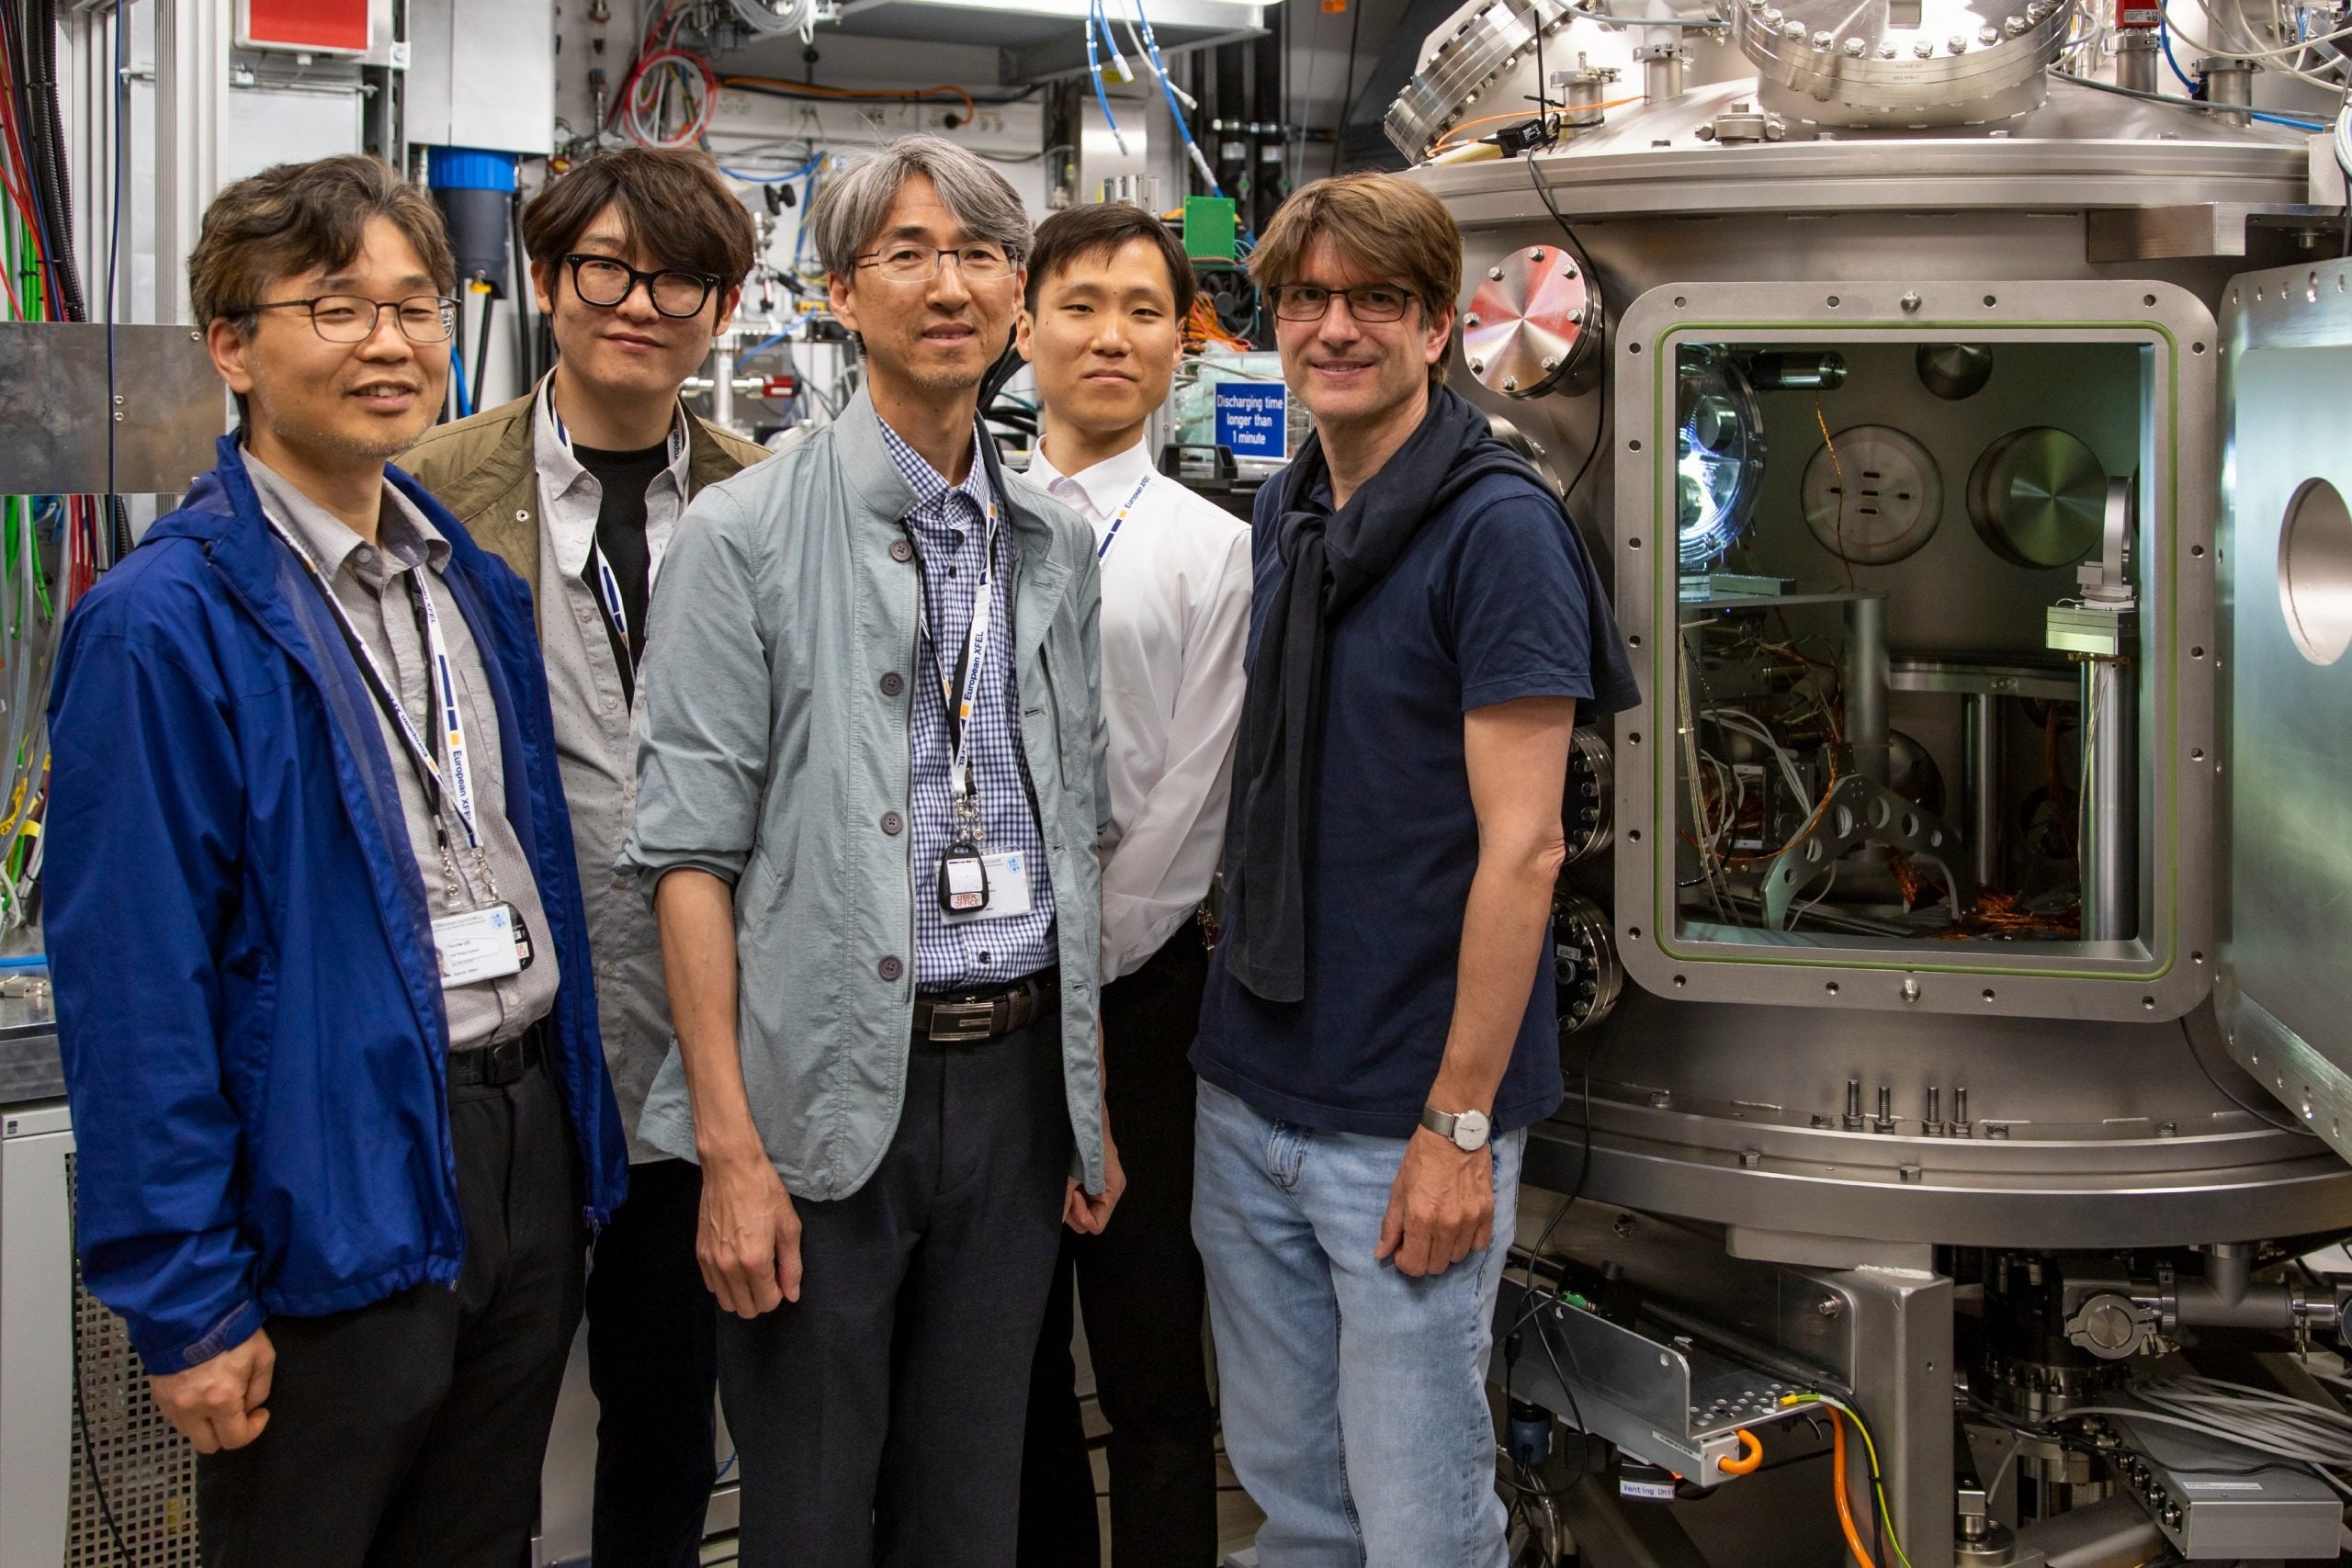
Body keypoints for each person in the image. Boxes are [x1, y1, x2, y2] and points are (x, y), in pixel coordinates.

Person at [44, 154, 627, 1567]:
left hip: (518, 1147)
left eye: (417, 306)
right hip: (331, 1170)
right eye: (336, 307)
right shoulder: (163, 623)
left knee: (481, 1540)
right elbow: (136, 992)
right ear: (233, 347)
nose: (390, 342)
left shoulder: (466, 581)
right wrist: (186, 1300)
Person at [621, 134, 1121, 1568]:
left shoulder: (1052, 542)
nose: (946, 286)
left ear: (1016, 293)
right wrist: (729, 1151)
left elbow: (1076, 830)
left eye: (976, 255)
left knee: (969, 1511)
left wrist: (1085, 1102)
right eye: (906, 254)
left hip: (1013, 1089)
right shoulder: (742, 536)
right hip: (824, 1089)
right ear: (841, 293)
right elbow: (688, 860)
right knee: (812, 1513)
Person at [1187, 173, 1636, 1566]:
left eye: (1375, 299)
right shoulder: (1291, 509)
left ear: (1439, 326)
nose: (1335, 327)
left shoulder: (1498, 529)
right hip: (1253, 1084)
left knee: (1421, 1524)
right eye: (1305, 298)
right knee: (1295, 1506)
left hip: (1401, 1119)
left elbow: (1528, 848)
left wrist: (1457, 1129)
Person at [400, 145, 766, 1568]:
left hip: (696, 1049)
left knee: (666, 1414)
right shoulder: (432, 492)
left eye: (681, 280)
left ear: (722, 307)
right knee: (469, 1427)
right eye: (607, 268)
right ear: (548, 281)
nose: (641, 304)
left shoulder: (760, 499)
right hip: (514, 1052)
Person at [1012, 200, 1249, 1568]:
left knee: (1155, 1363)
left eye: (1144, 311)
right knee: (1010, 1368)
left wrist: (1081, 977)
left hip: (1143, 1001)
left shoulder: (1218, 551)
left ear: (1180, 343)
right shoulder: (962, 525)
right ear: (1025, 328)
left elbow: (1194, 800)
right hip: (981, 1001)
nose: (1112, 336)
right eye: (1082, 305)